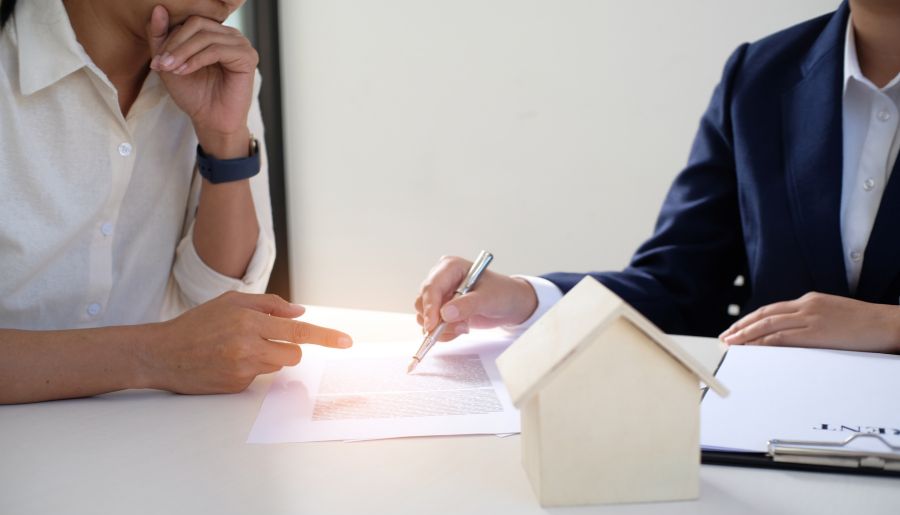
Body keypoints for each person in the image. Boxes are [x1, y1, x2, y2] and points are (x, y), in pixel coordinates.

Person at [415, 0, 900, 354]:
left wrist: (889, 326)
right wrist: (523, 298)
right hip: (769, 435)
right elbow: (680, 286)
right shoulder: (759, 76)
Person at [0, 0, 351, 404]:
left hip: (155, 440)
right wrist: (152, 355)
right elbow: (183, 350)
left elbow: (212, 311)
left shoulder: (215, 68)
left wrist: (224, 139)